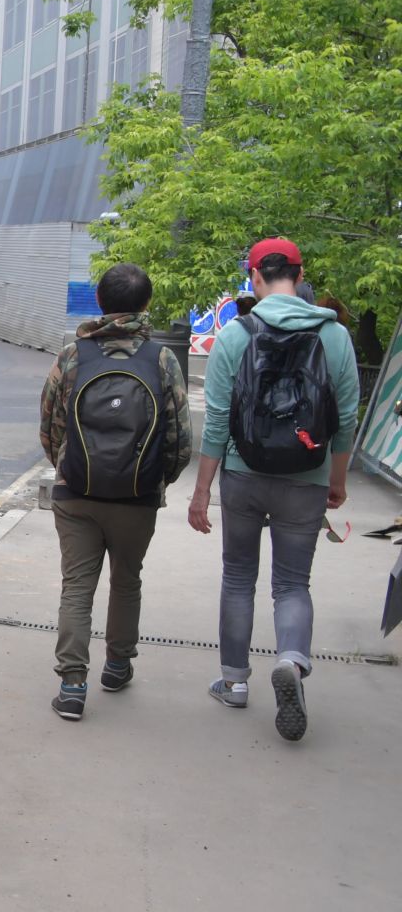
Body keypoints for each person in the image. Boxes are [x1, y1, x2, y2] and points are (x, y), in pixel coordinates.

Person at [191, 238, 361, 742]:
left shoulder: (236, 335)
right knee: (292, 583)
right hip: (305, 479)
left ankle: (235, 682)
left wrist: (202, 492)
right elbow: (346, 418)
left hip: (244, 476)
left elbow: (217, 421)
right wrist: (336, 480)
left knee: (238, 577)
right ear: (300, 272)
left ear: (254, 278)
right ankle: (291, 659)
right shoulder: (336, 337)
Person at [39, 263, 193, 720]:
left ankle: (71, 686)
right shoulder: (162, 359)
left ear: (100, 303)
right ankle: (118, 665)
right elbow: (180, 439)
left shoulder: (72, 355)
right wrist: (153, 480)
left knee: (77, 586)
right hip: (136, 497)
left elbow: (49, 427)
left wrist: (71, 468)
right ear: (145, 305)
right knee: (127, 580)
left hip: (76, 494)